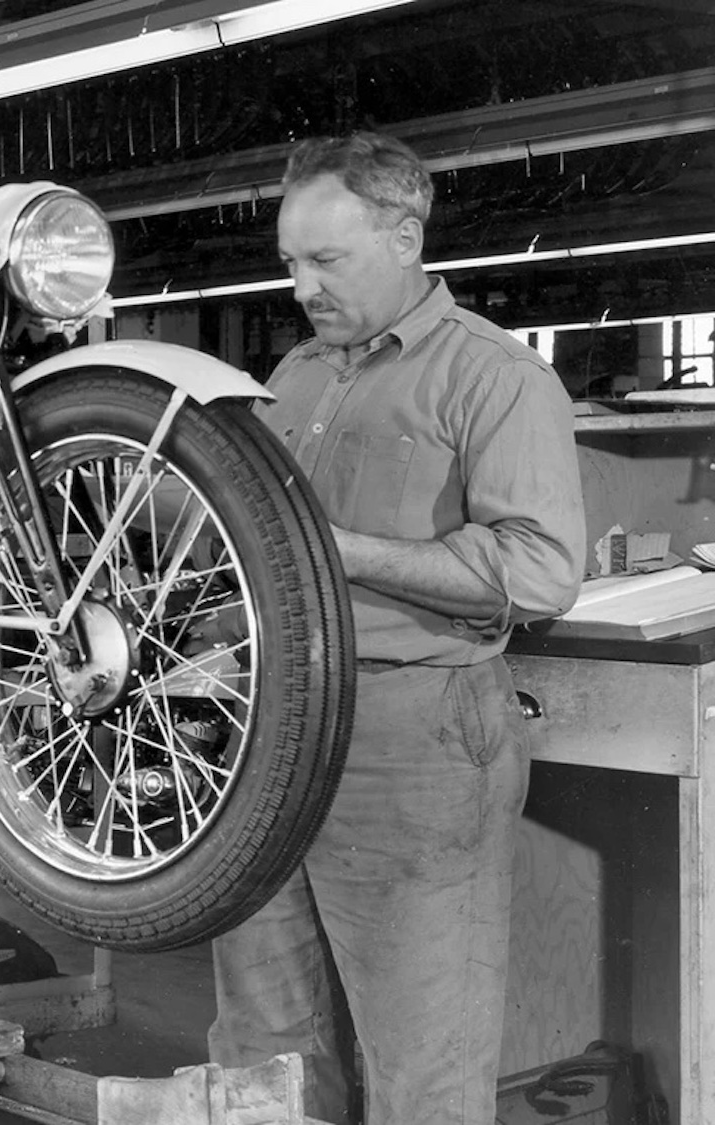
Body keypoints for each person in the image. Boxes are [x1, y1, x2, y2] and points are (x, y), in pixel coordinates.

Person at [206, 131, 587, 1125]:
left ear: (403, 235)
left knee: (421, 1061)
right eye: (289, 262)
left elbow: (541, 573)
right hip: (271, 732)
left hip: (412, 738)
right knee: (260, 1050)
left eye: (323, 260)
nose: (299, 286)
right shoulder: (288, 380)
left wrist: (339, 551)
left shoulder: (493, 378)